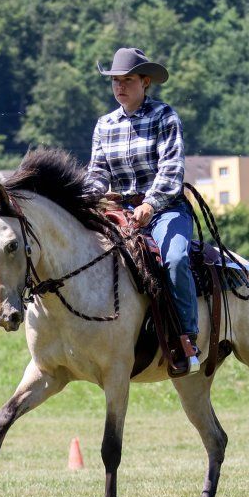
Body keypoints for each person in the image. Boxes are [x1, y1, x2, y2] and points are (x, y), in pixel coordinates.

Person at [84, 47, 200, 375]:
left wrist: (151, 203)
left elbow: (171, 170)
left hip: (166, 210)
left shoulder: (165, 116)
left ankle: (187, 337)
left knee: (175, 259)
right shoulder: (104, 125)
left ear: (145, 82)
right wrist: (90, 199)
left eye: (127, 80)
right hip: (119, 212)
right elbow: (96, 173)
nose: (119, 86)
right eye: (115, 81)